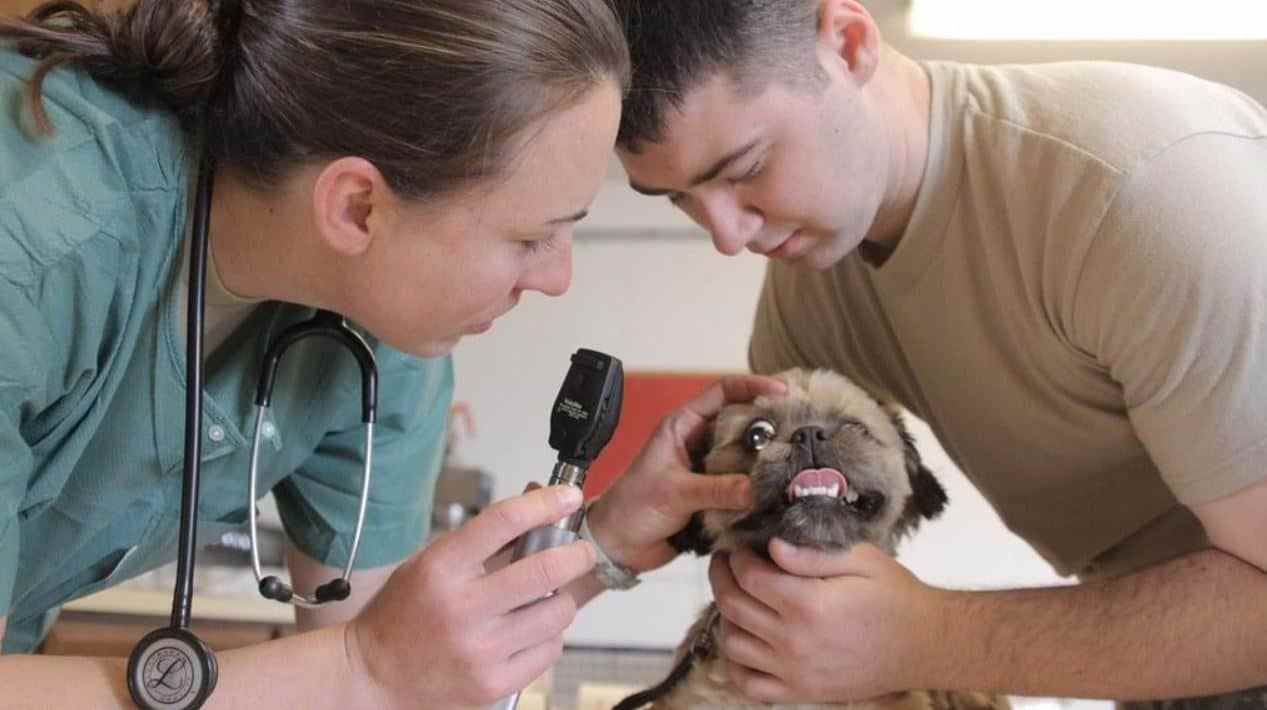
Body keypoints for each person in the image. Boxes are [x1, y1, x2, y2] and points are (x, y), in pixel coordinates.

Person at [0, 1, 786, 707]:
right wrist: (362, 671)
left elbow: (406, 659)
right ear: (357, 206)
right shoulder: (32, 235)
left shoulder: (379, 333)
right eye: (529, 235)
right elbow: (369, 668)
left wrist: (604, 539)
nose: (556, 277)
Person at [612, 0, 1267, 708]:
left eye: (746, 167)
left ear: (850, 41)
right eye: (679, 198)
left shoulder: (1142, 193)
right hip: (1170, 657)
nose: (726, 236)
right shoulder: (812, 281)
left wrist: (931, 637)